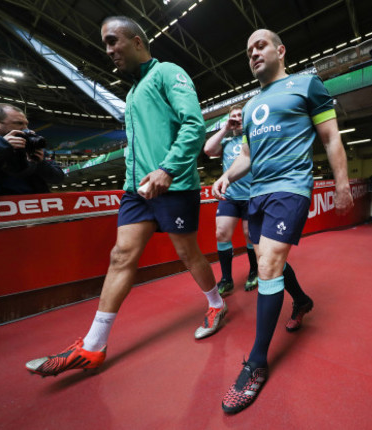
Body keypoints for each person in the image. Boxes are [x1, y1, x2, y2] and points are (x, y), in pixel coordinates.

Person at [25, 16, 225, 377]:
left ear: (136, 41)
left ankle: (216, 303)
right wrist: (135, 181)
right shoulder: (132, 93)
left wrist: (167, 169)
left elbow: (195, 124)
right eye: (105, 44)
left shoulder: (168, 72)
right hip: (137, 191)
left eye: (113, 41)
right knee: (120, 256)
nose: (108, 50)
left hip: (174, 183)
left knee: (186, 252)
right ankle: (93, 345)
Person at [212, 29, 354, 414]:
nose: (253, 53)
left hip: (290, 188)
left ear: (280, 50)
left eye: (260, 45)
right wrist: (228, 175)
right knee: (266, 262)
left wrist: (342, 184)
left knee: (269, 265)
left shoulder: (307, 85)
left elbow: (330, 137)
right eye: (248, 50)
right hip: (257, 192)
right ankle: (303, 300)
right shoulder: (254, 102)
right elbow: (247, 156)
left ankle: (256, 363)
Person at [203, 103, 258, 295]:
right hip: (230, 197)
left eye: (240, 115)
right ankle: (226, 279)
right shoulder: (226, 143)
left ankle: (254, 271)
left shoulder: (253, 139)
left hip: (251, 195)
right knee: (221, 233)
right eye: (234, 115)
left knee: (249, 234)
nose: (237, 118)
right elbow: (208, 149)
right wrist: (226, 127)